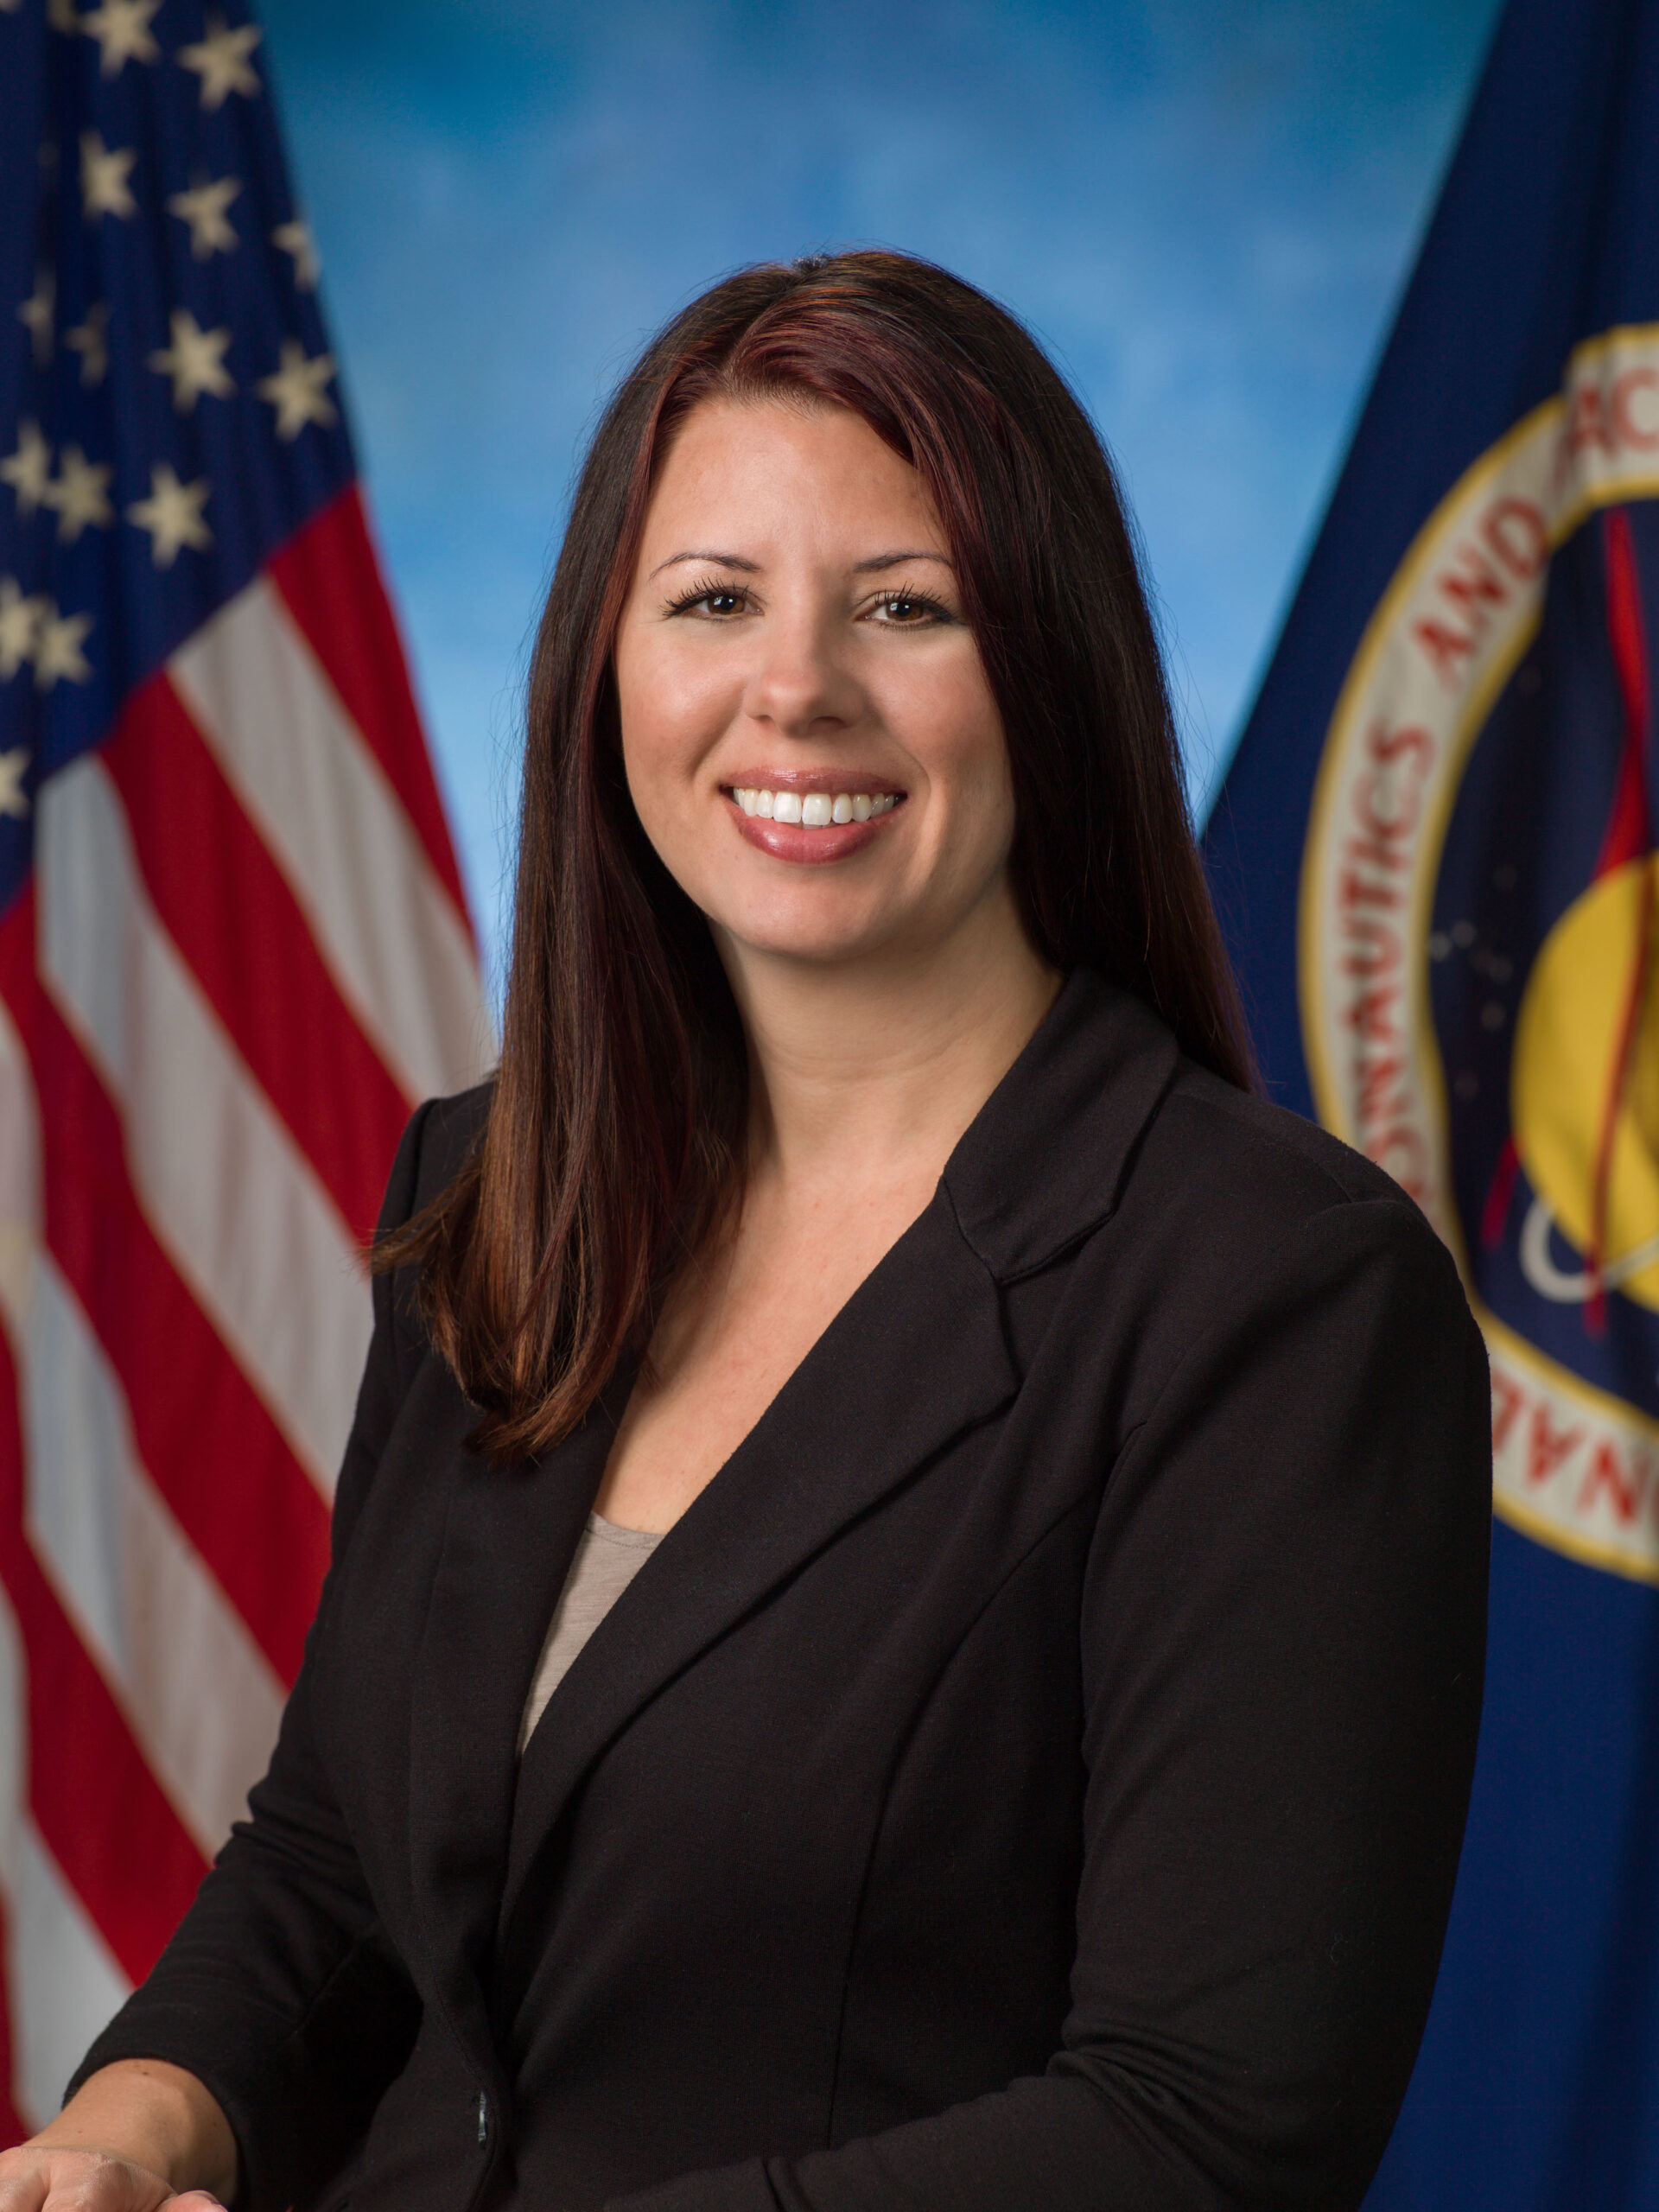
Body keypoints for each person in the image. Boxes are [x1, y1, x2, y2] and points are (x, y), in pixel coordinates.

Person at [3, 252, 1491, 2212]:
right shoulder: (495, 1193)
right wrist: (131, 2129)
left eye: (908, 605)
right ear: (608, 666)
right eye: (712, 600)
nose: (797, 688)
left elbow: (1202, 2130)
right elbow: (342, 1855)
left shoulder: (1273, 1291)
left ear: (1047, 667)